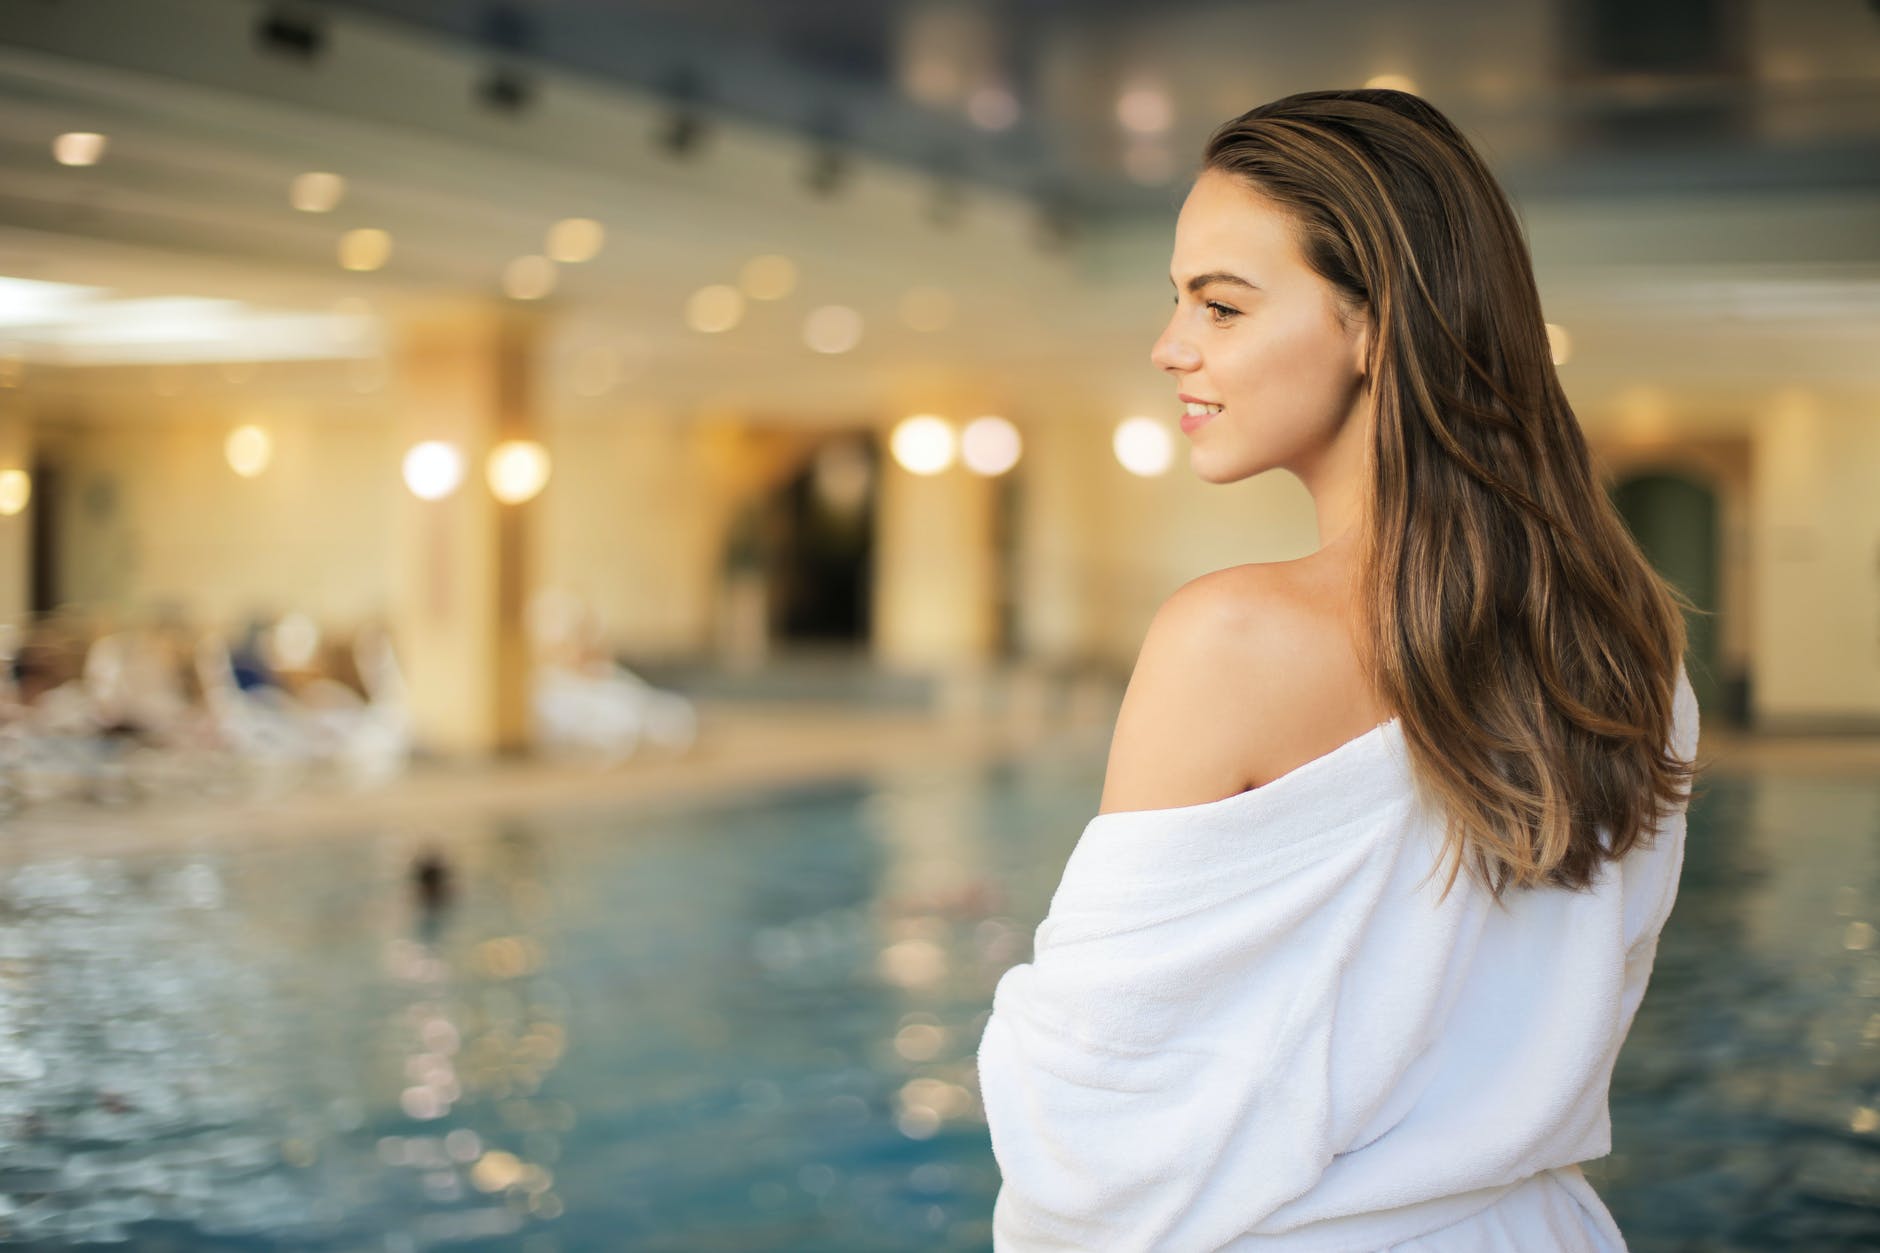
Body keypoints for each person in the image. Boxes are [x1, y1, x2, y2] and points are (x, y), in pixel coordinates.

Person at [976, 89, 1706, 1251]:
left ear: (1375, 322)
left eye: (1219, 303)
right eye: (1176, 301)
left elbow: (1091, 1112)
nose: (1171, 345)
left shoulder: (1228, 637)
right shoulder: (1629, 649)